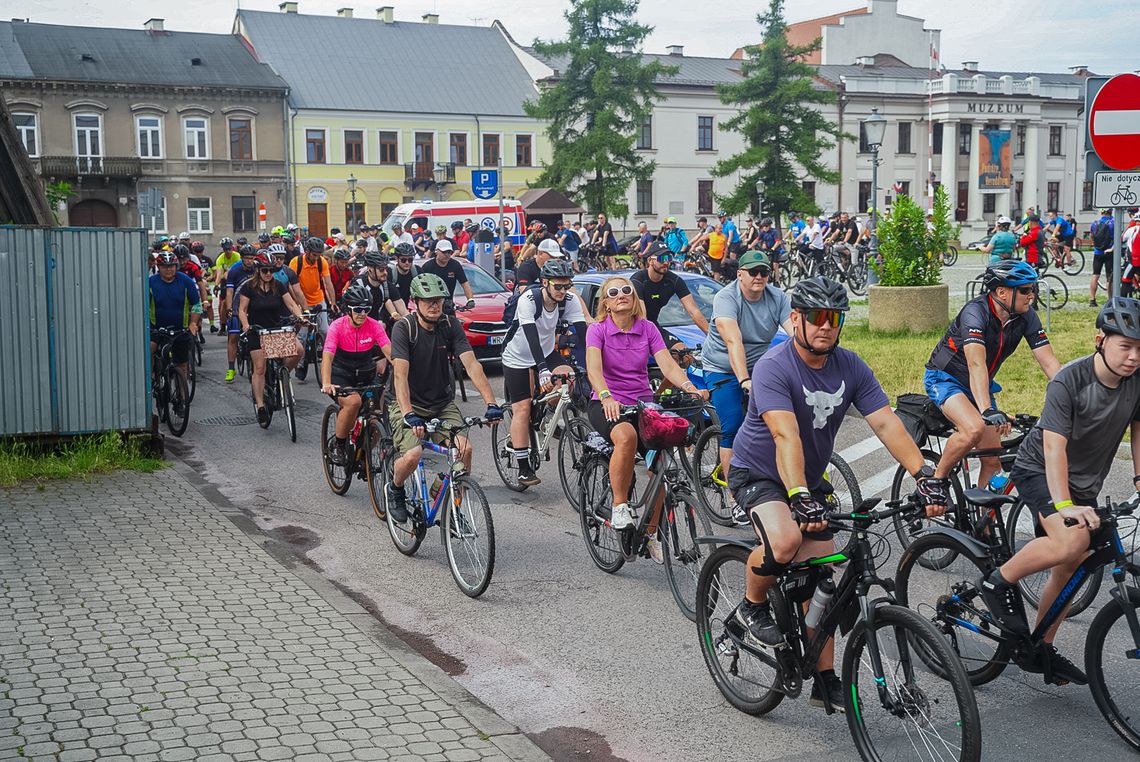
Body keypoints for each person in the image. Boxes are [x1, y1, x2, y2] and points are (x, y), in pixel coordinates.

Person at [730, 276, 948, 710]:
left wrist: (924, 473)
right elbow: (784, 434)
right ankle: (751, 606)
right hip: (760, 471)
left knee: (825, 576)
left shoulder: (851, 366)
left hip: (806, 480)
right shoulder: (775, 367)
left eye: (837, 318)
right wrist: (797, 493)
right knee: (788, 541)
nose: (828, 326)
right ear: (797, 319)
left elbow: (886, 423)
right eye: (819, 318)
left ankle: (824, 677)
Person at [977, 297, 1140, 686]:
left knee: (1071, 568)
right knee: (1070, 542)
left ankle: (1040, 647)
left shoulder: (1136, 382)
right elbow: (1054, 448)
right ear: (1100, 339)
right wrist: (1065, 504)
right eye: (1126, 346)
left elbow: (1138, 430)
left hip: (1084, 481)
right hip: (1040, 470)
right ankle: (996, 581)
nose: (1134, 356)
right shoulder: (1070, 380)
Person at [585, 274, 706, 537]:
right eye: (613, 293)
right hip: (607, 404)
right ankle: (619, 505)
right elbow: (593, 370)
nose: (621, 296)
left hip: (643, 405)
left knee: (662, 467)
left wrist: (690, 388)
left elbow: (667, 365)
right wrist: (606, 396)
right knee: (626, 437)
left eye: (626, 290)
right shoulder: (598, 329)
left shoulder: (648, 328)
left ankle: (650, 534)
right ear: (606, 303)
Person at [925, 261, 1061, 489]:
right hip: (946, 378)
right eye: (1026, 290)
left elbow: (1049, 363)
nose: (1032, 295)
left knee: (992, 459)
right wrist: (987, 409)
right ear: (1002, 292)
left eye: (1034, 289)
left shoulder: (1026, 317)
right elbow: (975, 363)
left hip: (981, 384)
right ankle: (935, 483)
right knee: (973, 428)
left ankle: (983, 523)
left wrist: (1074, 395)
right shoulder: (975, 313)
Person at [386, 274, 503, 523]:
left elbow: (471, 365)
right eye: (428, 301)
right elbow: (400, 376)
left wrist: (492, 404)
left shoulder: (450, 325)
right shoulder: (404, 328)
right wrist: (408, 414)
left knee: (464, 450)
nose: (434, 306)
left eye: (438, 300)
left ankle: (453, 508)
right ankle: (395, 488)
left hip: (441, 403)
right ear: (415, 302)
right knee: (413, 455)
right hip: (408, 403)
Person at [701, 250, 794, 524]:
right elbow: (733, 342)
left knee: (779, 420)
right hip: (722, 367)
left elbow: (796, 334)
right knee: (732, 426)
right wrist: (743, 380)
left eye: (764, 272)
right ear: (740, 274)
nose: (759, 277)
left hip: (758, 366)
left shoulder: (777, 297)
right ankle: (735, 497)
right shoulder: (726, 297)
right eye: (753, 272)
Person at [500, 259, 588, 485]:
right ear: (545, 282)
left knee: (568, 379)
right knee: (523, 408)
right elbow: (530, 336)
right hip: (518, 355)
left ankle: (547, 413)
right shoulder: (529, 299)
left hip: (547, 351)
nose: (563, 291)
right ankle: (523, 468)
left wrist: (592, 367)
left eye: (566, 286)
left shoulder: (569, 300)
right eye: (558, 286)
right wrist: (541, 370)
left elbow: (584, 335)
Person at [319, 283, 394, 465]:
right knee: (353, 402)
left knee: (377, 416)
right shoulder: (337, 326)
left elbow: (391, 354)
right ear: (348, 310)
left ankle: (363, 453)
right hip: (341, 375)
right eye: (358, 309)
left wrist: (407, 372)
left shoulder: (374, 326)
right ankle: (339, 444)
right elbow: (327, 357)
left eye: (366, 309)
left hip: (365, 374)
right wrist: (327, 382)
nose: (362, 313)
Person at [236, 254, 306, 424]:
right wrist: (246, 325)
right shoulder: (248, 287)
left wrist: (300, 316)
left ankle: (282, 373)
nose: (269, 274)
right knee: (259, 368)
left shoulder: (278, 285)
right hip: (257, 331)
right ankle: (260, 406)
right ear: (258, 270)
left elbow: (290, 304)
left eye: (271, 270)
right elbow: (242, 310)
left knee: (299, 350)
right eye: (265, 270)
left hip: (276, 329)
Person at [631, 242, 709, 350]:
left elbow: (693, 310)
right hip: (632, 327)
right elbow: (641, 316)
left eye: (669, 257)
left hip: (652, 325)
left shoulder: (674, 281)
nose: (666, 262)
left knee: (682, 352)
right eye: (662, 258)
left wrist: (711, 335)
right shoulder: (638, 280)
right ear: (650, 260)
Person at [149, 251, 201, 383]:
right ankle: (151, 379)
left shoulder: (185, 281)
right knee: (149, 349)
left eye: (171, 266)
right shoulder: (150, 282)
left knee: (182, 363)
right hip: (156, 328)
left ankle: (182, 395)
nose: (168, 269)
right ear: (158, 267)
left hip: (180, 328)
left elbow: (196, 304)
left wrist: (193, 323)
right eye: (164, 267)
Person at [223, 245, 260, 382]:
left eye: (251, 258)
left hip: (252, 304)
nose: (249, 261)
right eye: (246, 258)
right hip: (237, 304)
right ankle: (231, 368)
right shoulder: (235, 270)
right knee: (233, 336)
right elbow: (229, 292)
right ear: (242, 258)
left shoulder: (257, 268)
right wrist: (229, 309)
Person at [289, 237, 338, 335]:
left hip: (318, 299)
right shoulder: (295, 262)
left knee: (325, 330)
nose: (316, 258)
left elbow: (328, 283)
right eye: (314, 255)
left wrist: (333, 303)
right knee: (302, 335)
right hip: (302, 302)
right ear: (307, 251)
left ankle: (327, 350)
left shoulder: (321, 261)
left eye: (319, 255)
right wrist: (298, 304)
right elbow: (290, 286)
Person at [349, 251, 405, 333]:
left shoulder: (387, 286)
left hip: (377, 326)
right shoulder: (358, 285)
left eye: (386, 269)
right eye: (381, 270)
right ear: (370, 269)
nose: (385, 273)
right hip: (358, 327)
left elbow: (403, 310)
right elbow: (350, 315)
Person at [419, 239, 475, 310]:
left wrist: (470, 299)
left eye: (449, 252)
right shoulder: (427, 267)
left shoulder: (455, 265)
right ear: (436, 252)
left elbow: (464, 283)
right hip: (432, 306)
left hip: (449, 306)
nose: (447, 255)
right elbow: (421, 288)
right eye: (444, 252)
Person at [1089, 210, 1115, 306]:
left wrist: (1095, 245)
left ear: (1101, 213)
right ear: (1111, 212)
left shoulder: (1095, 223)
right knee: (1109, 277)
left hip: (1097, 253)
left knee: (1095, 275)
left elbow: (1091, 236)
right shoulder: (1114, 222)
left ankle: (1092, 300)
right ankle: (1110, 300)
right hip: (1109, 252)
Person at [389, 242, 420, 308]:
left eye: (410, 260)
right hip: (393, 310)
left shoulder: (417, 271)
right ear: (396, 258)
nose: (407, 263)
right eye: (403, 260)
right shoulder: (390, 273)